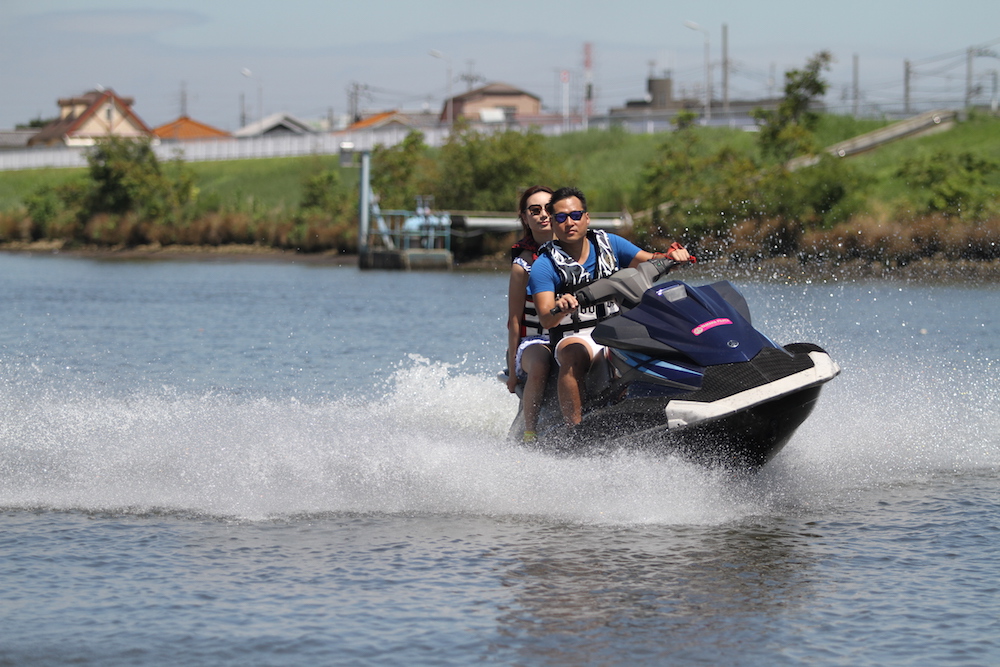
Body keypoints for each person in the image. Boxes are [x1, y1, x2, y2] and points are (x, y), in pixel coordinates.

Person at [529, 186, 691, 427]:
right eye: (561, 218)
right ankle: (576, 430)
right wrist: (561, 307)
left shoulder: (610, 243)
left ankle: (681, 396)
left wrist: (673, 258)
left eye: (575, 215)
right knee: (574, 355)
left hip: (619, 326)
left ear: (586, 217)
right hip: (575, 336)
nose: (569, 222)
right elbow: (545, 318)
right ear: (552, 223)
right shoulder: (544, 266)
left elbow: (650, 260)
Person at [506, 186, 554, 442]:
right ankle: (529, 433)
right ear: (525, 218)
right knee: (541, 363)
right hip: (534, 342)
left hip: (575, 334)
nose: (543, 215)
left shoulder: (580, 250)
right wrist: (512, 373)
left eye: (549, 208)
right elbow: (514, 321)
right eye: (535, 210)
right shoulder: (522, 265)